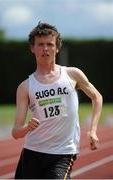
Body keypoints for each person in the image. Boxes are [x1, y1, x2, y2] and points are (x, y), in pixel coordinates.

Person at [12, 22, 103, 179]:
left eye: (50, 44)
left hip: (63, 153)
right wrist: (27, 127)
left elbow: (97, 97)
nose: (45, 49)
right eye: (40, 44)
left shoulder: (72, 75)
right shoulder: (25, 87)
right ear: (32, 48)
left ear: (57, 48)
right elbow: (16, 132)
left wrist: (93, 130)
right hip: (32, 152)